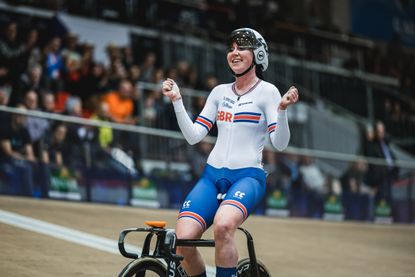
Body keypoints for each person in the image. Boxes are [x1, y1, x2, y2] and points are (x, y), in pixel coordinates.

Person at [162, 28, 299, 277]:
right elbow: (194, 136)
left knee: (223, 226)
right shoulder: (219, 92)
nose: (234, 53)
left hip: (247, 177)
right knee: (182, 241)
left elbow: (280, 144)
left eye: (241, 48)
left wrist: (282, 110)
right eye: (231, 48)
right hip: (212, 176)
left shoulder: (267, 92)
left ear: (258, 55)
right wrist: (177, 101)